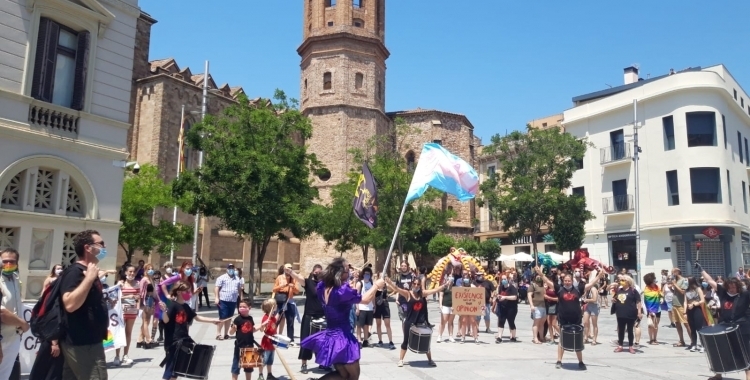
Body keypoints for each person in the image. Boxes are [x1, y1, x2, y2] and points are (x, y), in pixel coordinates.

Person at [300, 257, 384, 380]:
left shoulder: (323, 286)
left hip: (331, 337)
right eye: (347, 270)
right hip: (342, 339)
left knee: (343, 375)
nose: (349, 272)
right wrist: (376, 286)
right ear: (340, 273)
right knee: (353, 376)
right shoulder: (341, 291)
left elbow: (344, 295)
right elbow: (365, 300)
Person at [58, 230, 109, 379]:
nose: (104, 248)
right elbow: (70, 304)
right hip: (83, 343)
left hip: (89, 341)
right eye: (101, 244)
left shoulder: (89, 272)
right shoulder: (75, 272)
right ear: (88, 248)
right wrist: (89, 279)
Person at [537, 266, 601, 370]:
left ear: (572, 281)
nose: (567, 282)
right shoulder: (559, 289)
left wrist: (599, 276)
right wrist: (541, 273)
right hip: (564, 319)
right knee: (562, 341)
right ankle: (559, 361)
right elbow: (547, 282)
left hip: (576, 319)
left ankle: (580, 362)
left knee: (577, 341)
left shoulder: (578, 289)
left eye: (569, 280)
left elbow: (591, 284)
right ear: (563, 281)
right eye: (565, 280)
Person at [159, 281, 220, 380]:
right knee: (170, 370)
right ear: (179, 292)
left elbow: (197, 317)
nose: (188, 293)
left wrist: (213, 320)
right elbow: (166, 321)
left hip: (183, 340)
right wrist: (164, 311)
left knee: (177, 370)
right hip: (173, 342)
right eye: (186, 291)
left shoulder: (186, 306)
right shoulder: (173, 306)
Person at [699, 265, 750, 380]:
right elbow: (710, 281)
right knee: (719, 349)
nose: (732, 289)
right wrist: (702, 270)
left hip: (741, 326)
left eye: (734, 287)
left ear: (738, 287)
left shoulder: (745, 295)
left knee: (745, 351)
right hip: (724, 325)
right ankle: (718, 374)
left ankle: (748, 375)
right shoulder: (723, 293)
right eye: (730, 287)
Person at [385, 275, 445, 368]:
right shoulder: (407, 294)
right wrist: (389, 283)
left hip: (420, 322)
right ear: (412, 284)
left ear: (420, 285)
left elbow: (435, 290)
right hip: (409, 321)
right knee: (405, 341)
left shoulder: (422, 294)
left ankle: (430, 359)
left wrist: (444, 285)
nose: (416, 286)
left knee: (425, 340)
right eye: (415, 284)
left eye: (418, 284)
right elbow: (397, 288)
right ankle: (401, 360)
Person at [286, 264, 325, 374]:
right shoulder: (308, 282)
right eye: (316, 272)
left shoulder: (324, 284)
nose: (318, 274)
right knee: (306, 340)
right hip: (309, 315)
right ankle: (304, 364)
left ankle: (322, 363)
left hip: (321, 315)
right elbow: (298, 278)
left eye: (320, 273)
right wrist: (290, 272)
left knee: (322, 341)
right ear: (313, 272)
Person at [0, 248, 29, 379]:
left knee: (4, 375)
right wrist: (23, 323)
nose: (8, 264)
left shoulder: (15, 279)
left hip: (14, 337)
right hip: (2, 337)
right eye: (5, 261)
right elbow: (2, 312)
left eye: (12, 261)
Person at [229, 299, 268, 380]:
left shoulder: (250, 318)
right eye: (240, 307)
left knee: (248, 368)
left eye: (244, 307)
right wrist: (233, 328)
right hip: (239, 347)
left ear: (249, 308)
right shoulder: (238, 319)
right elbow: (231, 332)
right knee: (236, 368)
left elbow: (252, 329)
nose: (242, 308)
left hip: (249, 346)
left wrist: (262, 325)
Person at [114, 264, 141, 366]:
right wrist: (128, 296)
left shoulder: (137, 284)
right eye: (130, 271)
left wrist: (138, 307)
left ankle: (125, 355)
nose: (132, 273)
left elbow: (138, 297)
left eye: (133, 272)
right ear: (125, 272)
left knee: (128, 333)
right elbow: (115, 297)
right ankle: (117, 356)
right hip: (121, 311)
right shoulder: (121, 284)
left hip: (132, 311)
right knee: (119, 332)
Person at [611, 274, 642, 354]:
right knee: (621, 330)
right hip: (620, 313)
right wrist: (613, 300)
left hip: (630, 313)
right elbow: (614, 298)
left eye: (623, 280)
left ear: (628, 282)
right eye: (621, 280)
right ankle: (620, 345)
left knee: (630, 330)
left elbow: (638, 301)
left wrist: (639, 312)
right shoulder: (619, 290)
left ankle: (630, 346)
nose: (621, 281)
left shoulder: (633, 291)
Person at [272, 264, 298, 346]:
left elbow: (297, 291)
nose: (289, 270)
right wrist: (281, 286)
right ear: (284, 269)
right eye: (287, 268)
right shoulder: (280, 277)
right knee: (278, 319)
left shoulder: (294, 278)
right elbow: (274, 289)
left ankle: (290, 339)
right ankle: (274, 336)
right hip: (281, 300)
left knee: (290, 320)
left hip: (289, 300)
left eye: (290, 268)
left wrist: (293, 286)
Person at [215, 264, 243, 340]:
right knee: (223, 317)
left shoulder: (237, 279)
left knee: (229, 318)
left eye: (232, 268)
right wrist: (217, 298)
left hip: (233, 300)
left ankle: (226, 334)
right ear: (227, 269)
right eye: (229, 268)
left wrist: (241, 300)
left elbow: (240, 290)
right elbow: (217, 288)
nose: (231, 270)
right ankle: (218, 334)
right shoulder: (221, 278)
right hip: (223, 300)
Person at [493, 273, 519, 343]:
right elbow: (499, 294)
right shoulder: (501, 287)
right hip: (502, 307)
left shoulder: (512, 287)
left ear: (508, 279)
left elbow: (515, 297)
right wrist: (498, 297)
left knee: (511, 322)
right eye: (502, 279)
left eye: (505, 279)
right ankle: (499, 337)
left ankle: (513, 337)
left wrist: (505, 297)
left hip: (511, 308)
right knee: (501, 321)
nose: (503, 280)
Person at [137, 263, 157, 349]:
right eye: (148, 269)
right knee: (146, 321)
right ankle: (148, 340)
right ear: (145, 270)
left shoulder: (151, 279)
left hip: (151, 299)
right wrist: (139, 305)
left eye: (152, 268)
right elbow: (140, 293)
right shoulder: (144, 280)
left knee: (146, 321)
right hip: (146, 300)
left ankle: (140, 339)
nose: (151, 270)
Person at [670, 267, 691, 347]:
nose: (672, 274)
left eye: (673, 272)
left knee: (686, 323)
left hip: (681, 305)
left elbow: (683, 292)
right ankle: (681, 340)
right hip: (675, 304)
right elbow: (676, 292)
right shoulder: (676, 281)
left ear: (678, 272)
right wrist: (672, 288)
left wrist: (675, 284)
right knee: (677, 323)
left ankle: (693, 341)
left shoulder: (684, 280)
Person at [355, 267, 375, 347]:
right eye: (366, 274)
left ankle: (365, 340)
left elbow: (373, 295)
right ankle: (359, 340)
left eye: (369, 274)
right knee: (359, 325)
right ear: (363, 274)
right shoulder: (360, 283)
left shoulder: (371, 284)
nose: (367, 275)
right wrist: (357, 307)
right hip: (361, 307)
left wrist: (374, 306)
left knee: (367, 325)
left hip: (369, 307)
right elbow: (356, 296)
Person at [684, 276, 706, 352]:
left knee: (699, 328)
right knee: (692, 328)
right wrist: (684, 312)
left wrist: (694, 304)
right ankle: (694, 344)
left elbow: (702, 300)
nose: (685, 282)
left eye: (686, 280)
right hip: (689, 310)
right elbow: (685, 302)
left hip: (697, 309)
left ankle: (703, 345)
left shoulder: (698, 289)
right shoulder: (686, 291)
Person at [260, 299, 280, 380]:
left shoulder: (273, 317)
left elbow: (274, 326)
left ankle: (269, 374)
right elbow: (262, 330)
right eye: (275, 305)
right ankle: (260, 375)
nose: (276, 306)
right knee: (264, 360)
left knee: (270, 360)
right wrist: (264, 325)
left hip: (273, 341)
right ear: (272, 307)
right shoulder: (266, 318)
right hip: (267, 341)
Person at [642, 273, 663, 345]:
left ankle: (655, 338)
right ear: (650, 281)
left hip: (658, 309)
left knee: (656, 325)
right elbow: (646, 301)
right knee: (651, 325)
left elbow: (661, 294)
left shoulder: (657, 287)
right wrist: (650, 311)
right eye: (654, 278)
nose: (655, 280)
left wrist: (661, 298)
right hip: (650, 310)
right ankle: (651, 339)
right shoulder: (647, 289)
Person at [528, 273, 547, 344]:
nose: (539, 277)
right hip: (536, 306)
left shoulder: (544, 285)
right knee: (536, 323)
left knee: (542, 323)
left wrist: (545, 288)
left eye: (540, 276)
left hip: (544, 306)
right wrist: (531, 305)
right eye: (537, 276)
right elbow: (529, 295)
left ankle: (541, 337)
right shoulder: (533, 285)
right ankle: (535, 338)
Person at [437, 272, 456, 343]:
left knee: (451, 322)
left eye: (452, 277)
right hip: (445, 305)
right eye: (449, 277)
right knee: (443, 321)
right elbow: (441, 295)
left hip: (452, 307)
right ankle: (439, 336)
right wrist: (440, 304)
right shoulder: (444, 287)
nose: (451, 279)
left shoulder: (455, 287)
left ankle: (450, 336)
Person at [582, 274, 600, 345]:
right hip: (588, 306)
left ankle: (594, 339)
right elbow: (583, 296)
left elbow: (595, 299)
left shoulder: (593, 289)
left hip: (594, 306)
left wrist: (586, 300)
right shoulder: (586, 290)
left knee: (594, 323)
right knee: (585, 322)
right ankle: (585, 337)